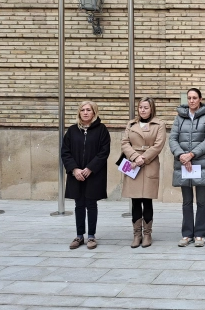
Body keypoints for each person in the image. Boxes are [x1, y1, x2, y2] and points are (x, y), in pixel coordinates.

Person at [169, 88, 205, 247]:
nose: (191, 100)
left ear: (200, 99)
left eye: (195, 98)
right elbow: (173, 139)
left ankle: (200, 234)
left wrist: (191, 155)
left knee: (201, 200)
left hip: (200, 164)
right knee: (187, 201)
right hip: (184, 164)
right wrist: (181, 155)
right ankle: (187, 234)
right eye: (189, 98)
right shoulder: (179, 118)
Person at [61, 101, 111, 250]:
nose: (85, 112)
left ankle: (91, 236)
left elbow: (104, 152)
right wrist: (74, 169)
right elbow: (65, 152)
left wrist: (90, 168)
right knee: (79, 205)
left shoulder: (102, 130)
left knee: (91, 204)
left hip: (93, 174)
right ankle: (79, 236)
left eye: (89, 110)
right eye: (82, 110)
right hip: (76, 174)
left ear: (94, 112)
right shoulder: (72, 131)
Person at [121, 97, 167, 248]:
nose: (142, 110)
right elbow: (125, 143)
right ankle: (136, 235)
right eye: (141, 107)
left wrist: (144, 158)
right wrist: (135, 157)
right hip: (132, 164)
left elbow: (158, 145)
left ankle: (147, 234)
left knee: (147, 200)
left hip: (149, 164)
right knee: (134, 201)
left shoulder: (159, 124)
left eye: (146, 107)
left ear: (151, 108)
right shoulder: (131, 124)